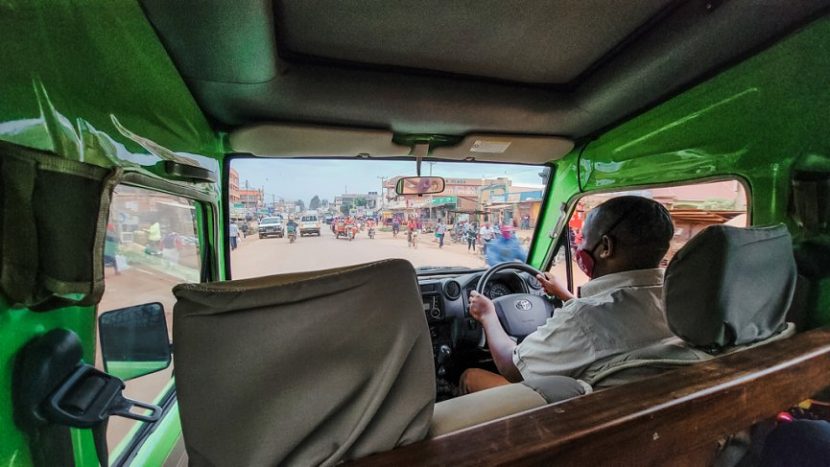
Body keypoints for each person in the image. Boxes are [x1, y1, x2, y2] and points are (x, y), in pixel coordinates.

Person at [461, 196, 675, 394]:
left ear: (606, 247)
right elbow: (616, 323)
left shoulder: (582, 318)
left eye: (583, 238)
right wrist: (566, 296)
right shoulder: (678, 299)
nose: (579, 245)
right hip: (641, 408)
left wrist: (488, 314)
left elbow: (512, 367)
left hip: (575, 417)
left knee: (470, 376)